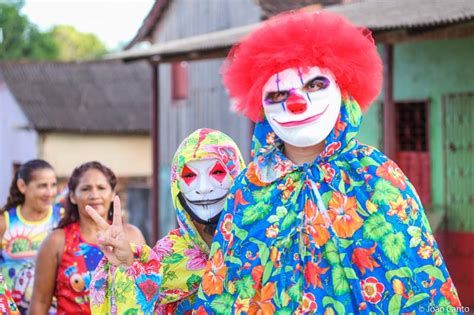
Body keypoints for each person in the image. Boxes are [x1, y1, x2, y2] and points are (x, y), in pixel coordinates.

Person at [193, 11, 462, 314]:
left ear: (341, 89)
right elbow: (226, 287)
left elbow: (417, 282)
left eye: (314, 85)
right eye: (279, 93)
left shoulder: (376, 176)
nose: (296, 102)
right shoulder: (251, 185)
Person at [88, 128, 245, 314]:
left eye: (217, 172)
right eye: (189, 176)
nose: (203, 188)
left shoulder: (263, 244)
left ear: (237, 176)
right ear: (175, 185)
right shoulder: (168, 255)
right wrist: (126, 265)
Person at [29, 161, 146, 314]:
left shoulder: (132, 236)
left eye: (101, 188)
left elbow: (147, 290)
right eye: (85, 188)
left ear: (112, 195)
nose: (94, 195)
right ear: (72, 196)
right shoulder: (56, 241)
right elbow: (40, 301)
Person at [0, 159, 62, 314]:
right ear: (22, 186)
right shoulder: (5, 222)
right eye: (42, 186)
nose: (50, 193)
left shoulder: (62, 219)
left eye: (53, 185)